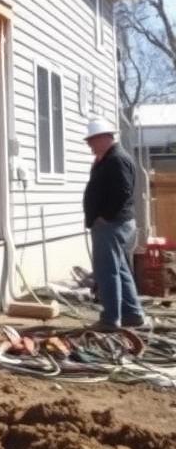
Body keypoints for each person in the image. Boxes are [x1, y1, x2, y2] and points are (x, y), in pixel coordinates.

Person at [83, 117, 146, 330]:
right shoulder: (107, 158)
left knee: (106, 271)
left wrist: (105, 216)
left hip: (112, 225)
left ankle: (110, 319)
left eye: (92, 140)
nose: (89, 145)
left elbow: (123, 192)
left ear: (104, 138)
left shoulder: (116, 160)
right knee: (120, 269)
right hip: (115, 224)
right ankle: (133, 314)